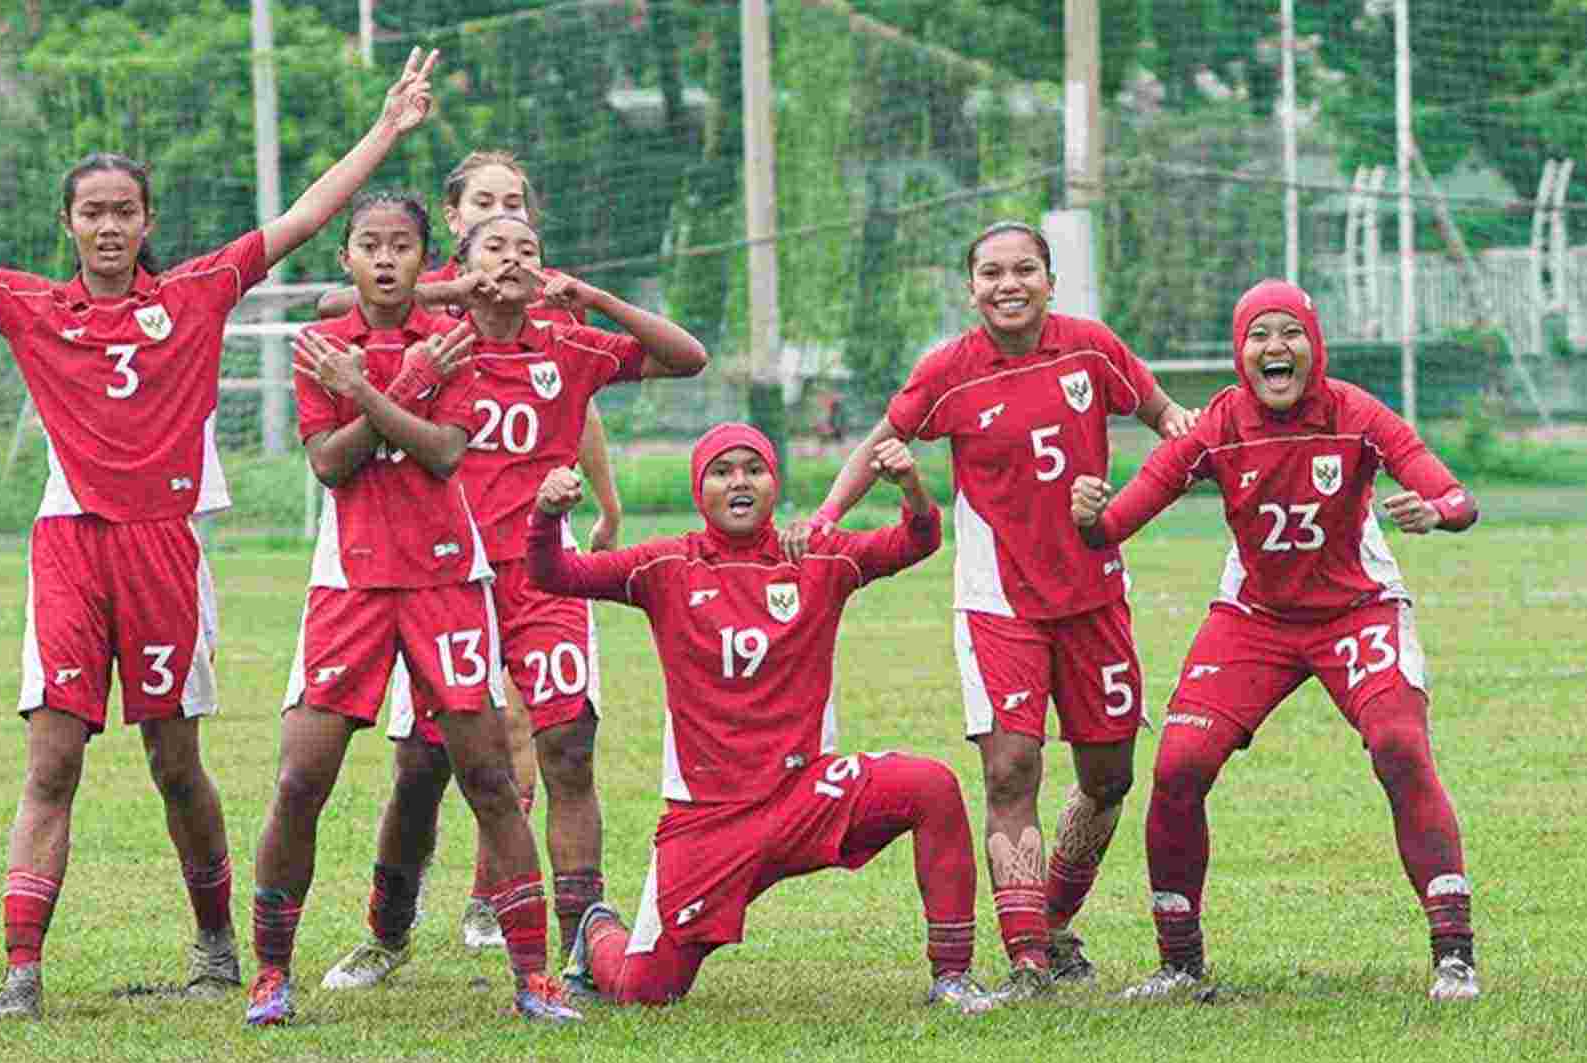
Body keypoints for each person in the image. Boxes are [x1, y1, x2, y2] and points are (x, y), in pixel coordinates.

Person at [0, 46, 442, 1023]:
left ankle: (216, 943)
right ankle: (21, 972)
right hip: (70, 545)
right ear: (67, 224)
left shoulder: (196, 295)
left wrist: (389, 127)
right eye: (91, 210)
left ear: (147, 223)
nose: (108, 225)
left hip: (165, 548)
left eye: (124, 210)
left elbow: (308, 215)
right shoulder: (29, 307)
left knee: (174, 763)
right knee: (52, 760)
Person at [789, 220, 1199, 997]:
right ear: (969, 286)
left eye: (1023, 270)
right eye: (990, 274)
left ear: (1050, 280)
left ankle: (1051, 917)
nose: (1007, 285)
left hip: (1095, 596)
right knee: (1011, 768)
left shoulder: (1091, 348)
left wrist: (1137, 485)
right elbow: (880, 443)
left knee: (1108, 775)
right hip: (997, 599)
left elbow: (1169, 421)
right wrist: (826, 517)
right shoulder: (948, 370)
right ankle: (1027, 960)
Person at [317, 212, 706, 992]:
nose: (514, 258)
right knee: (423, 762)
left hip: (544, 577)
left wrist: (590, 293)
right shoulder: (431, 335)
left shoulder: (567, 342)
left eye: (529, 247)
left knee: (567, 748)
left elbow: (688, 358)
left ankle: (580, 943)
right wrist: (456, 289)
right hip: (444, 576)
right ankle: (386, 932)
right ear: (461, 263)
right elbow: (335, 303)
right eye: (495, 246)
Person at [1069, 279, 1481, 1003]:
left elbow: (1455, 495)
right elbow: (1116, 522)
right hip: (1255, 615)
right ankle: (1179, 963)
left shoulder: (1355, 413)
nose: (1275, 348)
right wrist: (1088, 512)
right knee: (1179, 764)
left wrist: (1437, 511)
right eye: (1259, 335)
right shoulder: (1218, 425)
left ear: (1315, 345)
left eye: (1290, 332)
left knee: (1399, 743)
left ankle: (1454, 952)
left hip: (1356, 607)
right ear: (1240, 352)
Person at [522, 423, 993, 1012]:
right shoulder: (664, 565)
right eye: (722, 471)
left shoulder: (819, 555)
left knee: (932, 786)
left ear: (774, 482)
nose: (738, 482)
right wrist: (545, 514)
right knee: (644, 990)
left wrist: (912, 487)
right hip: (709, 823)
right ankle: (598, 934)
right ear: (701, 490)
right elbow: (551, 574)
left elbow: (917, 541)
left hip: (804, 799)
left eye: (754, 468)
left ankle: (951, 976)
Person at [252, 191, 581, 1026]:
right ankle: (271, 973)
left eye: (403, 245)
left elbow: (441, 453)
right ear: (348, 259)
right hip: (351, 582)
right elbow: (329, 465)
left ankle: (534, 976)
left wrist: (377, 386)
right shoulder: (321, 344)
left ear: (423, 256)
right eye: (370, 244)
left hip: (446, 580)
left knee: (489, 777)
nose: (387, 257)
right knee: (300, 777)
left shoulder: (455, 340)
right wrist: (394, 389)